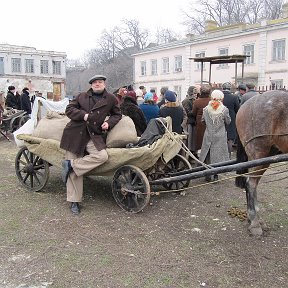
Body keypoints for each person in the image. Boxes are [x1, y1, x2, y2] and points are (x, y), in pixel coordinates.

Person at [60, 75, 122, 215]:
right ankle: (74, 201)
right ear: (91, 85)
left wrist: (109, 123)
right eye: (95, 82)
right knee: (74, 164)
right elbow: (69, 109)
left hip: (93, 134)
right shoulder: (81, 96)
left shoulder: (111, 98)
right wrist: (84, 115)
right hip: (75, 133)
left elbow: (117, 114)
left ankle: (70, 165)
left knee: (102, 156)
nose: (97, 84)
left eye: (100, 82)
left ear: (104, 84)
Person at [199, 89, 231, 181]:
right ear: (221, 98)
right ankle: (216, 175)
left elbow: (202, 121)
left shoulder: (206, 109)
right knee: (218, 155)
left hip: (208, 134)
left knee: (208, 154)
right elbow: (228, 121)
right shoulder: (224, 110)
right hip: (220, 135)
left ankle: (208, 174)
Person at [192, 84, 212, 156]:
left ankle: (200, 155)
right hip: (210, 122)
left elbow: (193, 113)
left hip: (200, 122)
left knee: (200, 140)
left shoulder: (197, 101)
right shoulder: (212, 101)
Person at [222, 82, 240, 158]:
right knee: (230, 137)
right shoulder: (234, 97)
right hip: (231, 117)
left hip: (220, 117)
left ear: (222, 88)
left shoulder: (219, 96)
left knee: (221, 135)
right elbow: (237, 108)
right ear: (230, 88)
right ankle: (229, 154)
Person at [182, 86, 197, 157]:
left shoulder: (195, 100)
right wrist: (196, 110)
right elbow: (187, 112)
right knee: (189, 140)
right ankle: (188, 155)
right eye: (194, 93)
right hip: (189, 122)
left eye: (196, 93)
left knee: (193, 140)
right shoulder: (186, 101)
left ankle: (192, 153)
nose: (196, 94)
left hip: (193, 122)